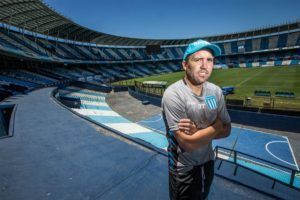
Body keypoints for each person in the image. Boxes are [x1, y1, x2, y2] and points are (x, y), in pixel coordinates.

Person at [162, 39, 231, 200]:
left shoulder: (215, 92)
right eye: (198, 59)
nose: (204, 65)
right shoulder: (173, 95)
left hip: (208, 163)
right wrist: (216, 125)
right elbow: (188, 144)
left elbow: (227, 129)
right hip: (183, 169)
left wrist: (199, 132)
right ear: (185, 65)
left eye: (209, 60)